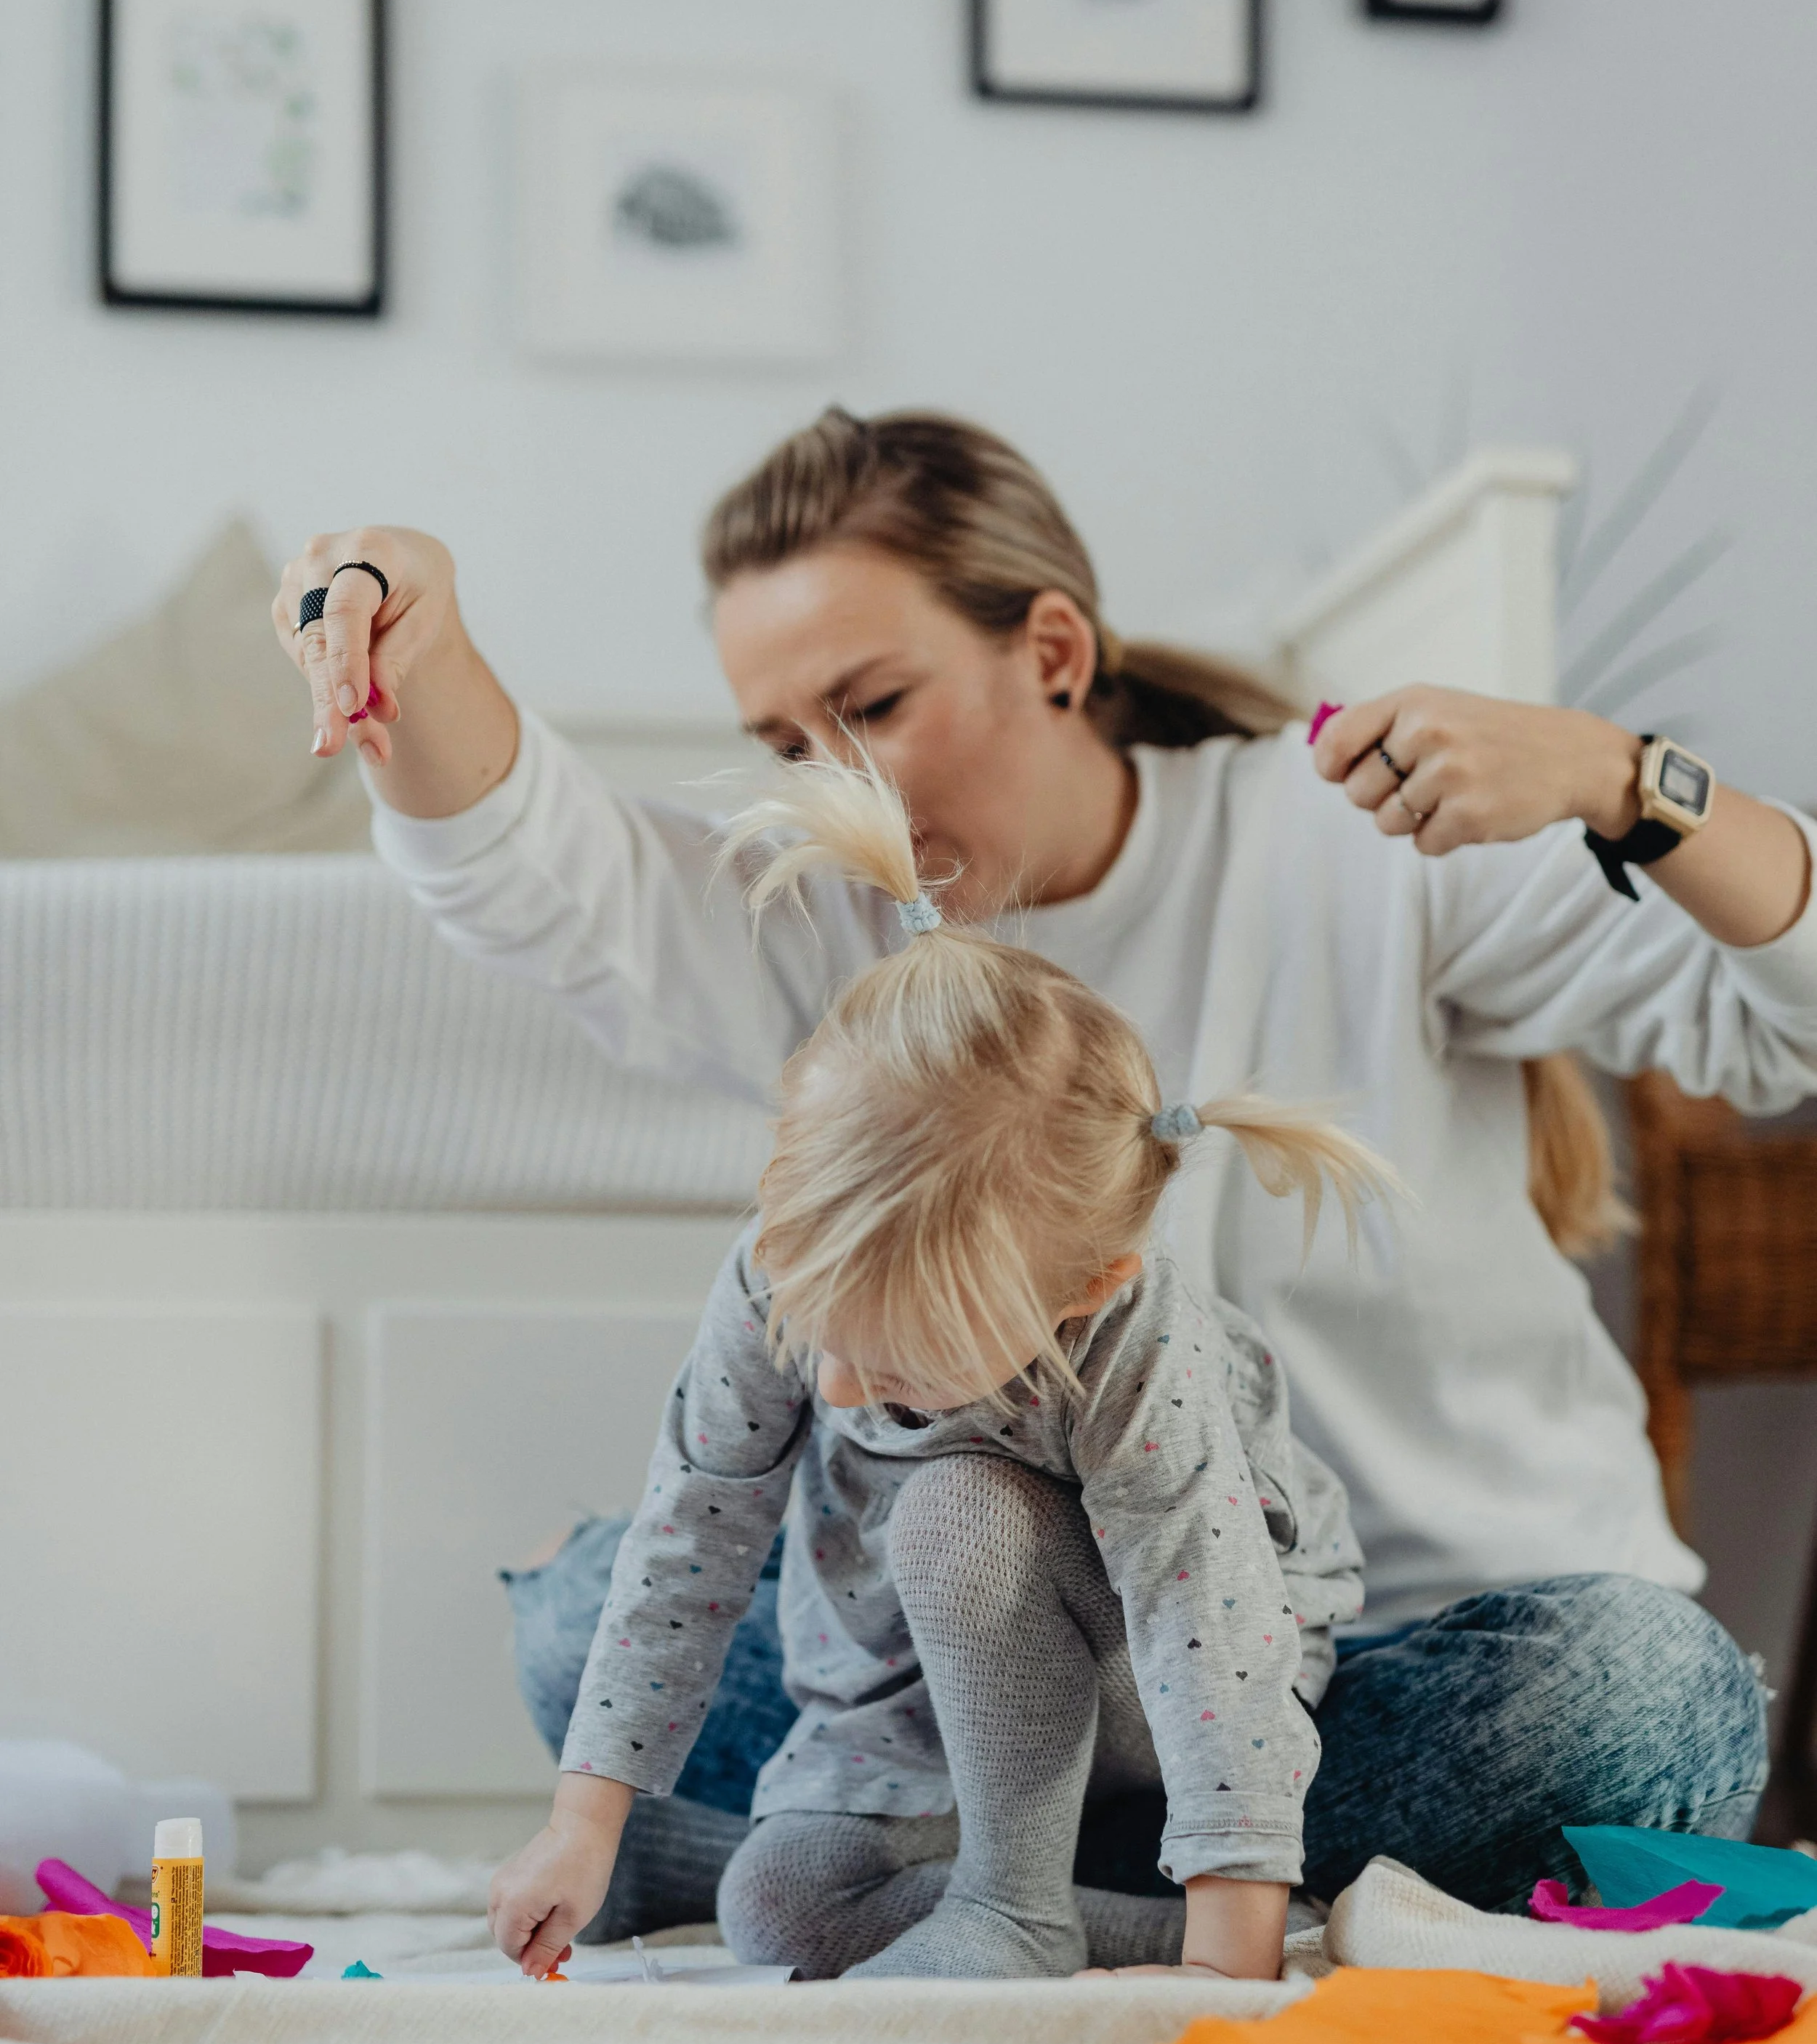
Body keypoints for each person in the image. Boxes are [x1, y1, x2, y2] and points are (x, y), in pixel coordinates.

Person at [273, 409, 1817, 1918]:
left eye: (872, 706)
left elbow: (1781, 1026)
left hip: (1378, 1668)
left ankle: (972, 1875)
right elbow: (537, 872)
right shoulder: (828, 906)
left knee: (1641, 1690)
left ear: (1055, 654)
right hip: (996, 1670)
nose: (839, 782)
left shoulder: (1341, 840)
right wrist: (421, 649)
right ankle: (1071, 1872)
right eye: (779, 740)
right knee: (572, 1620)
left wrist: (1625, 780)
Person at [488, 750, 1388, 1983]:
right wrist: (579, 1826)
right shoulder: (786, 1266)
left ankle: (1020, 1910)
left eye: (907, 1367)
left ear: (1084, 1290)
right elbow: (691, 1534)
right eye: (829, 1338)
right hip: (921, 1665)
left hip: (1155, 1663)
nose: (846, 1395)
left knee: (957, 1504)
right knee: (779, 1908)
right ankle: (1075, 1917)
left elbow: (1205, 1623)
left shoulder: (1130, 1331)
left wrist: (1229, 1974)